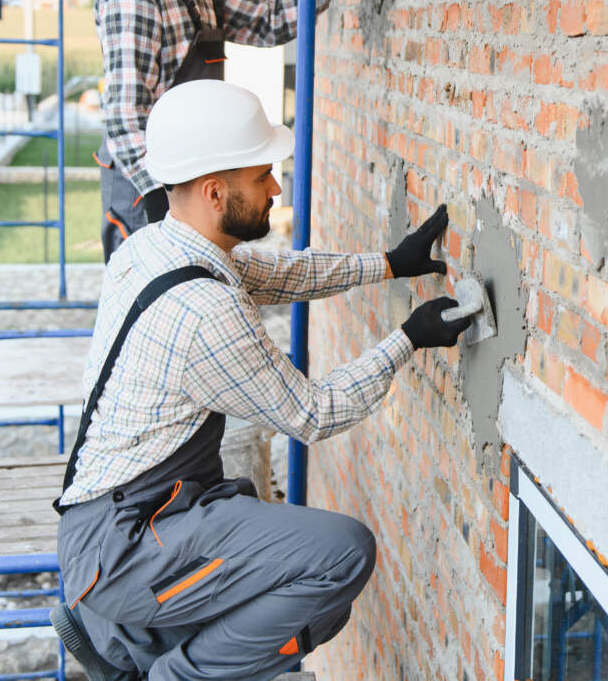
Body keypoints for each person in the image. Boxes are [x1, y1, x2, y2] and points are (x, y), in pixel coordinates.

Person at [51, 79, 474, 681]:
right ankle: (163, 667)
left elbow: (279, 275)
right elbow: (314, 414)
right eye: (262, 177)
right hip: (128, 547)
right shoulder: (202, 312)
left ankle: (121, 645)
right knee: (339, 558)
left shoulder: (157, 248)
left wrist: (388, 264)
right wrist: (408, 338)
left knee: (312, 612)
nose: (277, 187)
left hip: (122, 524)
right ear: (215, 191)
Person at [95, 0, 374, 261]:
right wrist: (159, 198)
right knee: (156, 307)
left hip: (193, 185)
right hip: (148, 194)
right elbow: (125, 114)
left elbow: (266, 20)